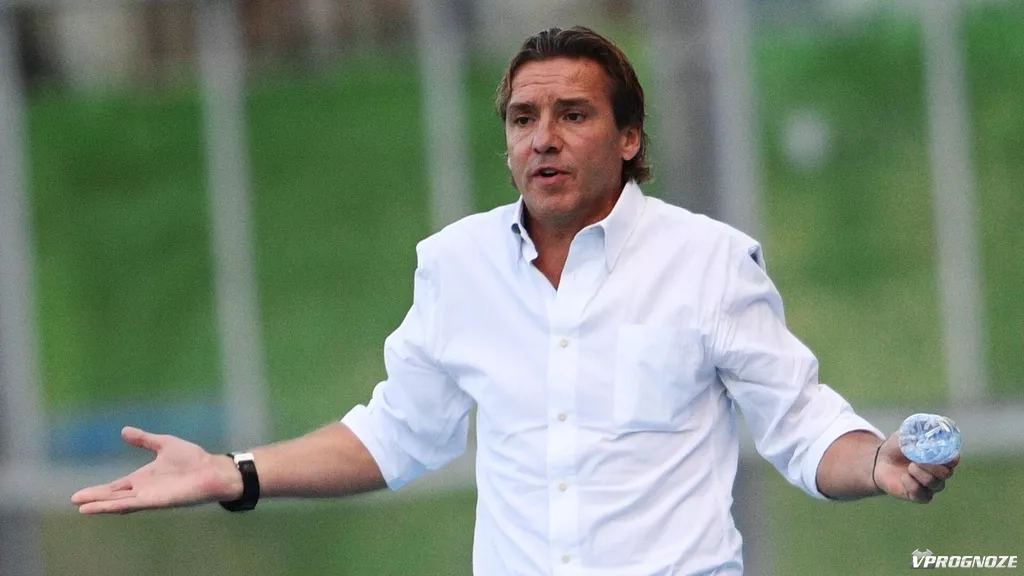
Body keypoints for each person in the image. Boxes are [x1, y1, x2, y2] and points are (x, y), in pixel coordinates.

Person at [72, 26, 957, 575]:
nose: (543, 138)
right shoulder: (454, 266)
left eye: (574, 114)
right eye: (523, 118)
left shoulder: (710, 262)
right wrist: (236, 473)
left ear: (629, 137)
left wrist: (876, 462)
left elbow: (802, 425)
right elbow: (395, 435)